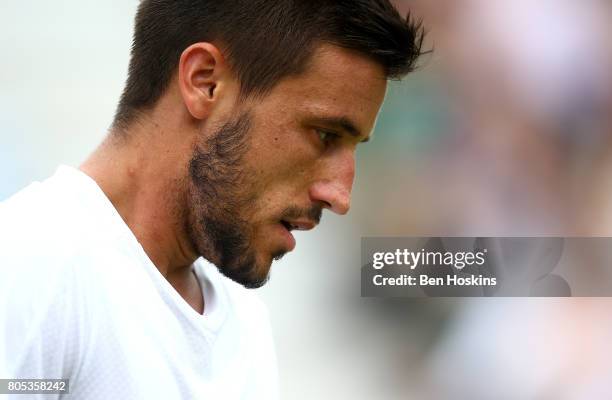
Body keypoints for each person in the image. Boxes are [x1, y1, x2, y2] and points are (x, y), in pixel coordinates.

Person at [0, 0, 424, 398]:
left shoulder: (245, 324)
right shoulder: (31, 266)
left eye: (355, 146)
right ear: (205, 82)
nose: (340, 195)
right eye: (325, 134)